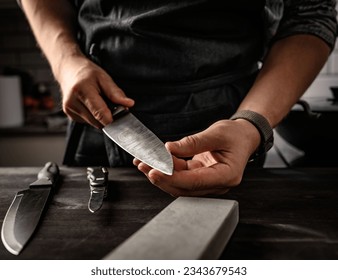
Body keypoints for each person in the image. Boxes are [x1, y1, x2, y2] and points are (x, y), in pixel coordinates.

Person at [19, 0, 337, 197]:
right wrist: (66, 61)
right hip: (96, 114)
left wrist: (250, 125)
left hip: (226, 130)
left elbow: (310, 14)